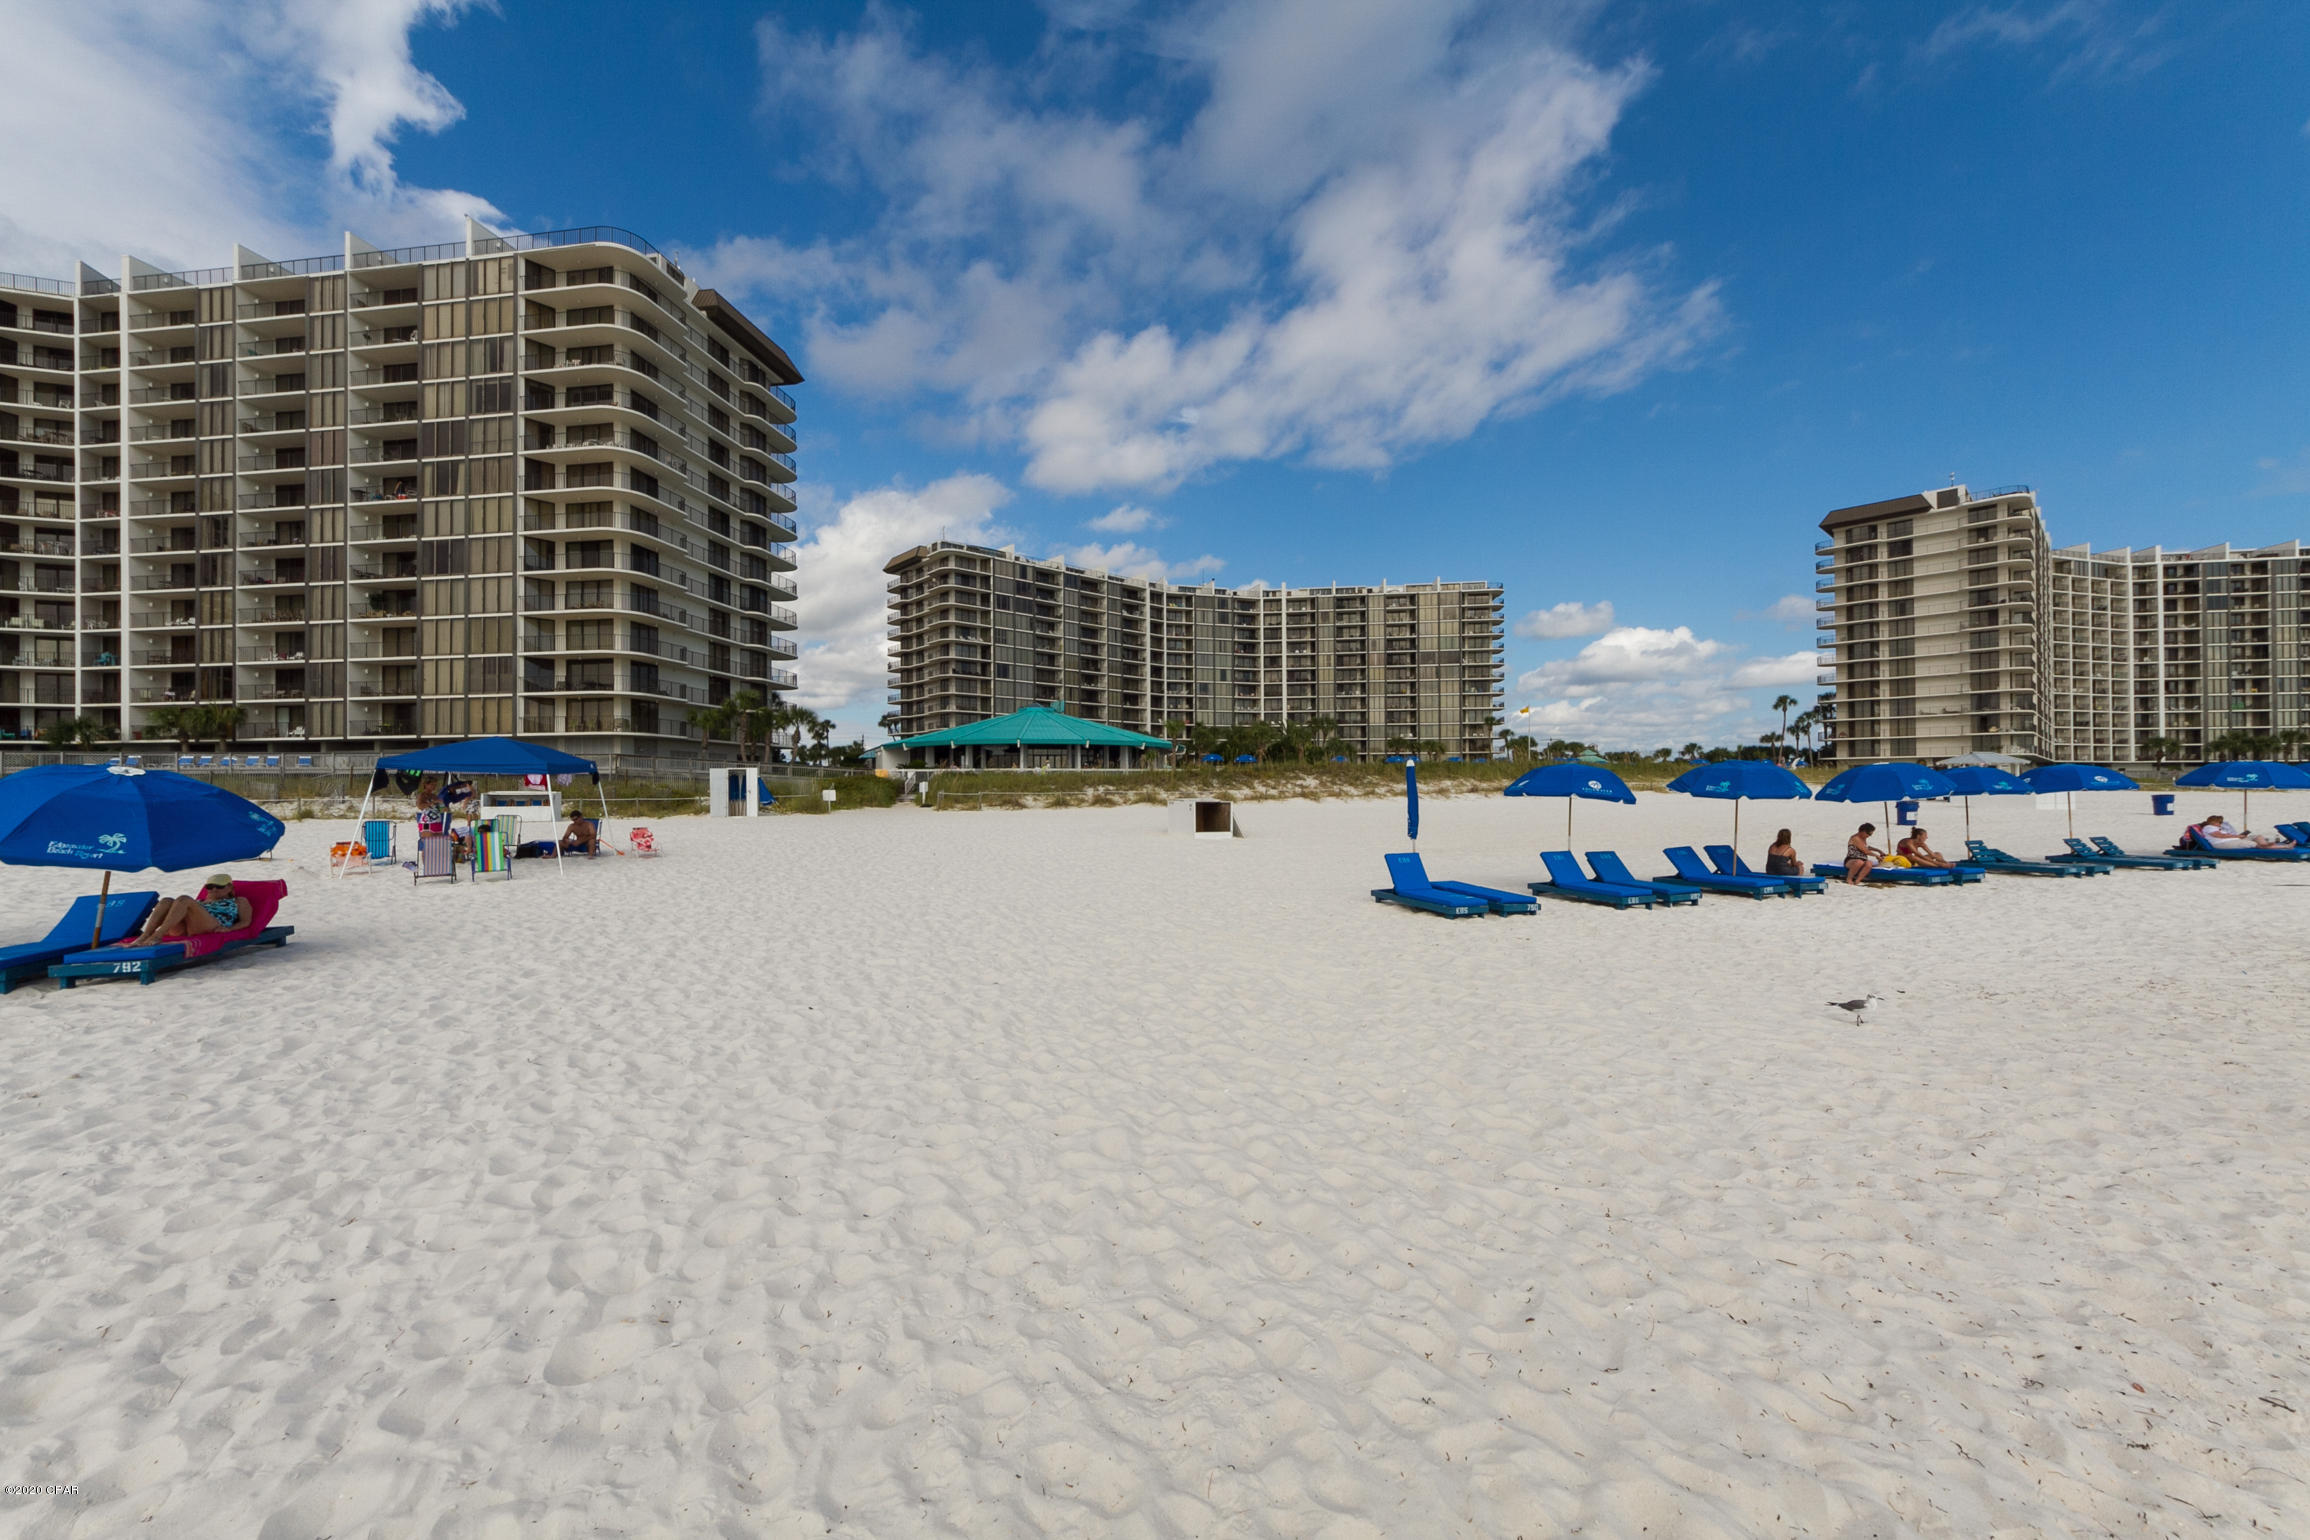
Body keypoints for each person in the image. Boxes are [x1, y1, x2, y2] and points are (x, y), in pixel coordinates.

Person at [107, 874, 252, 947]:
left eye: (219, 886)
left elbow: (246, 922)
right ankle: (145, 935)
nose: (214, 889)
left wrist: (230, 929)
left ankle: (158, 935)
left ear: (230, 888)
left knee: (184, 899)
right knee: (167, 901)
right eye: (210, 887)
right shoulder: (201, 901)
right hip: (184, 928)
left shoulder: (239, 901)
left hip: (211, 926)